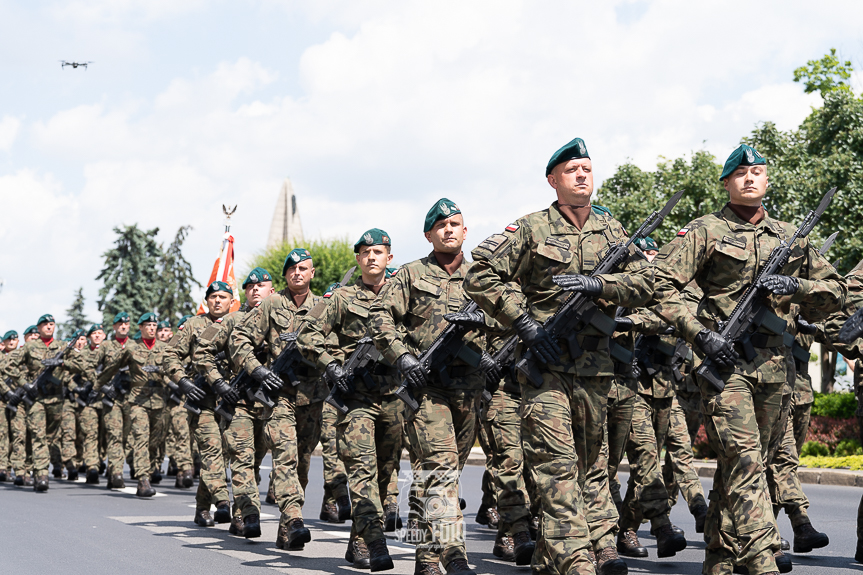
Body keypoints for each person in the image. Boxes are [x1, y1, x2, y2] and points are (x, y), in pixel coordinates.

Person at [644, 144, 844, 575]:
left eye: (757, 171)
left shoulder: (790, 236)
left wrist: (798, 286)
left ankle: (717, 558)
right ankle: (762, 558)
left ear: (767, 180)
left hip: (777, 370)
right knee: (747, 460)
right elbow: (659, 286)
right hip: (725, 368)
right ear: (726, 183)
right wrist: (701, 334)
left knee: (743, 467)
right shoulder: (705, 230)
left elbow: (836, 292)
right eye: (740, 173)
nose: (750, 178)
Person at [465, 138, 653, 575]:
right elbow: (480, 274)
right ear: (553, 180)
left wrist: (601, 287)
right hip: (546, 370)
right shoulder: (531, 228)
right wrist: (524, 323)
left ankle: (586, 546)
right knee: (556, 464)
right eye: (572, 170)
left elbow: (648, 283)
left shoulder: (614, 231)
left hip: (595, 371)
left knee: (593, 465)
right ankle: (576, 558)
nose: (582, 175)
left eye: (587, 168)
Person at [370, 199, 496, 575]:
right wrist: (402, 358)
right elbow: (380, 318)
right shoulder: (410, 275)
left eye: (455, 223)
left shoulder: (482, 275)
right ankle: (455, 553)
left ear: (465, 230)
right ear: (429, 234)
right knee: (440, 469)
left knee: (440, 474)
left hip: (469, 390)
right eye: (441, 225)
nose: (449, 230)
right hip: (427, 391)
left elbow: (508, 316)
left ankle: (426, 557)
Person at [298, 228, 404, 571]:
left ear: (389, 256)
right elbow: (308, 334)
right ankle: (374, 542)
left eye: (378, 251)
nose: (371, 257)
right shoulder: (342, 298)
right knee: (362, 471)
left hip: (394, 398)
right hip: (356, 398)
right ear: (358, 259)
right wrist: (331, 365)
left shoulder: (404, 293)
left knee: (386, 474)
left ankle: (357, 539)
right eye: (365, 252)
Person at [229, 249, 329, 550]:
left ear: (312, 273)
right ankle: (295, 517)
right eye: (291, 269)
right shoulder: (272, 305)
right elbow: (239, 339)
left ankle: (287, 528)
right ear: (285, 275)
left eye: (303, 268)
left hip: (312, 397)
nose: (297, 273)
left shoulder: (324, 306)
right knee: (284, 455)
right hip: (280, 397)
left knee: (302, 461)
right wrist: (258, 369)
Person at [192, 266, 276, 538]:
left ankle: (239, 512)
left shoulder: (281, 318)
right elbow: (202, 353)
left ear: (270, 290)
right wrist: (219, 383)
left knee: (255, 461)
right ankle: (248, 515)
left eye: (261, 286)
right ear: (245, 294)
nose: (255, 290)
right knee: (241, 457)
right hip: (238, 400)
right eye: (250, 287)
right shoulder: (230, 321)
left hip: (269, 403)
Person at [164, 282, 235, 525]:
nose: (218, 301)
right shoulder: (195, 325)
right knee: (212, 451)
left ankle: (202, 506)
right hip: (203, 401)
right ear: (206, 300)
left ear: (231, 301)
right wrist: (182, 381)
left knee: (221, 455)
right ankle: (224, 502)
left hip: (232, 401)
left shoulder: (240, 323)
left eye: (223, 297)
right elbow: (170, 354)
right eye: (213, 296)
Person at [97, 313, 169, 497]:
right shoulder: (131, 348)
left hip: (160, 400)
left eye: (154, 325)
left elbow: (175, 370)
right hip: (138, 401)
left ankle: (150, 470)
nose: (152, 328)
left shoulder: (165, 348)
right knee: (141, 438)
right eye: (148, 325)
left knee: (155, 441)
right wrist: (99, 385)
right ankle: (143, 480)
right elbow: (112, 367)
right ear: (141, 328)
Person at [16, 314, 77, 491]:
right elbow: (8, 366)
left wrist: (63, 362)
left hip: (56, 399)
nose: (49, 327)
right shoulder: (30, 347)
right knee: (38, 436)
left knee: (49, 437)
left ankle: (36, 466)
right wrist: (25, 384)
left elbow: (82, 364)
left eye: (51, 324)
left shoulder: (63, 346)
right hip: (36, 399)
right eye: (45, 324)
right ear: (39, 327)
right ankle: (41, 475)